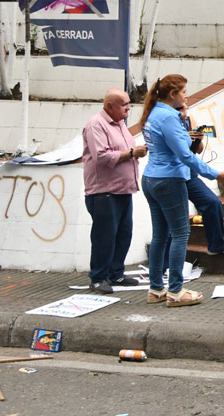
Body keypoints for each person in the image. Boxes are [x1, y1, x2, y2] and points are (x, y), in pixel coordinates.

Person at [139, 75, 224, 307]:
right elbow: (185, 155)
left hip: (151, 178)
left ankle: (156, 289)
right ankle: (176, 291)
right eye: (183, 92)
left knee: (161, 235)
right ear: (172, 94)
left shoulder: (154, 113)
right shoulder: (169, 117)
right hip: (169, 180)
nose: (186, 96)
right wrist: (215, 174)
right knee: (180, 234)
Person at [80, 88, 147, 294]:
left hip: (123, 190)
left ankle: (116, 273)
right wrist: (132, 153)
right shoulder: (95, 125)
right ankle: (98, 277)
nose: (128, 107)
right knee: (104, 236)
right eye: (124, 104)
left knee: (123, 234)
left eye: (129, 103)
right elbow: (102, 156)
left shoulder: (120, 124)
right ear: (110, 106)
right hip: (104, 192)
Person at [177, 106, 224, 257]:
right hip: (173, 174)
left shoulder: (189, 119)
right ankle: (169, 263)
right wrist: (184, 137)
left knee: (212, 202)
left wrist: (197, 137)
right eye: (182, 105)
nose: (185, 108)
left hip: (189, 172)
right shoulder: (167, 120)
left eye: (186, 105)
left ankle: (217, 244)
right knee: (177, 219)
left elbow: (197, 150)